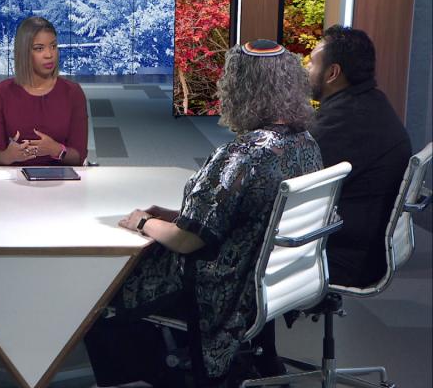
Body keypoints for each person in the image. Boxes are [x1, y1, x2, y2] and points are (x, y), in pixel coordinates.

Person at [83, 40, 322, 387]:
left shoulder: (241, 157)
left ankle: (142, 373)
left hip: (216, 287)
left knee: (106, 286)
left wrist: (144, 222)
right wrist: (171, 213)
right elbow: (237, 215)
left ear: (241, 89)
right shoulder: (305, 145)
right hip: (267, 281)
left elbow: (185, 240)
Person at [307, 25, 411, 287]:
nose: (306, 70)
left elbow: (288, 181)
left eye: (312, 64)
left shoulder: (343, 123)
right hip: (364, 245)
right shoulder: (372, 103)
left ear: (332, 73)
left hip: (342, 255)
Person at [0, 16, 88, 166]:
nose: (49, 54)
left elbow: (79, 156)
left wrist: (57, 150)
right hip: (14, 180)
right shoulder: (2, 92)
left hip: (62, 179)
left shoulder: (72, 92)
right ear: (24, 52)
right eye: (39, 48)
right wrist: (8, 156)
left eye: (53, 46)